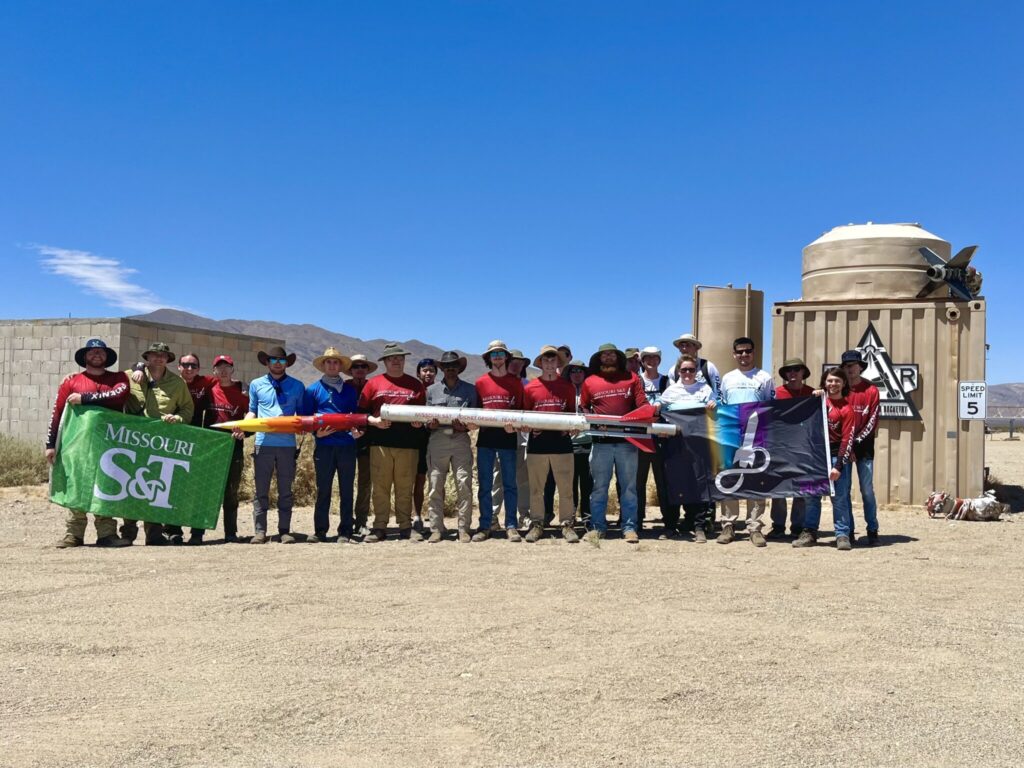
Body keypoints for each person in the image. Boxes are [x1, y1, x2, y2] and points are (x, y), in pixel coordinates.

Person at [47, 339, 131, 548]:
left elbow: (119, 394)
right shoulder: (71, 381)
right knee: (77, 485)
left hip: (109, 444)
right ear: (85, 356)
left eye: (101, 352)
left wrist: (84, 398)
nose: (97, 355)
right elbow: (58, 411)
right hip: (76, 444)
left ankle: (107, 534)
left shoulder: (118, 378)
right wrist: (50, 443)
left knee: (106, 486)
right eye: (92, 352)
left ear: (107, 357)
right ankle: (73, 535)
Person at [120, 342, 194, 546]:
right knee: (132, 484)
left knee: (154, 486)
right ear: (147, 357)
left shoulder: (177, 383)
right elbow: (112, 388)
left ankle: (153, 532)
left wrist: (177, 418)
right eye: (154, 355)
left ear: (168, 359)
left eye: (163, 355)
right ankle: (128, 531)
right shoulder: (129, 376)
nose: (159, 358)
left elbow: (187, 409)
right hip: (133, 440)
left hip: (161, 443)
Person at [358, 343, 426, 542]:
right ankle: (379, 526)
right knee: (380, 487)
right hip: (379, 443)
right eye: (392, 358)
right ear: (385, 362)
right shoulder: (373, 384)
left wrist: (418, 422)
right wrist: (374, 421)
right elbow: (362, 412)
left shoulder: (415, 385)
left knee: (405, 486)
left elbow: (423, 413)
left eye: (400, 358)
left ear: (404, 360)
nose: (396, 361)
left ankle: (406, 526)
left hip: (408, 444)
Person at [580, 343, 647, 544]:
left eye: (611, 354)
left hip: (627, 442)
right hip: (600, 443)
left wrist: (652, 412)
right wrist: (592, 419)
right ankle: (598, 528)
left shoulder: (631, 378)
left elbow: (642, 404)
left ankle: (629, 528)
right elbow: (584, 407)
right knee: (599, 487)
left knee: (629, 488)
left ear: (618, 358)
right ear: (599, 359)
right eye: (604, 355)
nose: (608, 357)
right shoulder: (590, 381)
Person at [717, 337, 775, 547]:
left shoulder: (765, 377)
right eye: (739, 352)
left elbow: (772, 406)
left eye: (747, 351)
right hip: (732, 435)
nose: (744, 355)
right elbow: (722, 404)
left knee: (756, 479)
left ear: (753, 353)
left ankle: (755, 527)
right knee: (730, 478)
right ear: (734, 354)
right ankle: (728, 525)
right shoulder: (727, 378)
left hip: (756, 435)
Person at [303, 347, 363, 543]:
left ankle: (345, 530)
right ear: (323, 365)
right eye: (328, 362)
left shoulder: (350, 391)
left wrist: (356, 432)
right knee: (323, 489)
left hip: (347, 445)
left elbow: (354, 416)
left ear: (340, 366)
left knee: (347, 488)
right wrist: (315, 432)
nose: (332, 365)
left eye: (335, 362)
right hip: (325, 446)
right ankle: (320, 530)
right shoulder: (312, 390)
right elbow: (306, 418)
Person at [655, 354, 717, 542]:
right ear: (678, 372)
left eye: (691, 369)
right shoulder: (671, 391)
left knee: (698, 482)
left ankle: (698, 526)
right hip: (675, 443)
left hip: (698, 443)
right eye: (684, 370)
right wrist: (657, 406)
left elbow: (716, 410)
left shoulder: (705, 389)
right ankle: (670, 525)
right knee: (672, 482)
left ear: (697, 371)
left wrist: (715, 404)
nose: (688, 373)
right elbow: (659, 409)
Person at [247, 345, 305, 544]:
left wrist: (301, 425)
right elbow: (252, 410)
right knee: (261, 489)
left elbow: (301, 414)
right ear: (267, 362)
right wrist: (242, 425)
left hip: (287, 444)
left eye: (281, 360)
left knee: (285, 489)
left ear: (286, 363)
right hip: (263, 443)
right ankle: (260, 531)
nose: (278, 364)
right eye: (274, 360)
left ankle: (284, 531)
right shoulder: (256, 384)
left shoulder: (298, 386)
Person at [793, 367, 855, 550]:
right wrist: (815, 397)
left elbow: (847, 439)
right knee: (812, 496)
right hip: (815, 456)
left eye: (837, 381)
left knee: (840, 497)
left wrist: (838, 466)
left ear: (843, 384)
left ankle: (842, 535)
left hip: (837, 456)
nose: (833, 384)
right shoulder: (817, 402)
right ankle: (810, 533)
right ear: (824, 383)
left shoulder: (847, 408)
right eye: (829, 381)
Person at [522, 346, 579, 543]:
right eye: (545, 361)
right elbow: (524, 417)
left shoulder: (567, 387)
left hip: (562, 444)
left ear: (558, 364)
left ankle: (567, 524)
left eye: (552, 360)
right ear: (540, 364)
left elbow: (573, 414)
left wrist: (572, 428)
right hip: (537, 445)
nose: (549, 364)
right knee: (536, 488)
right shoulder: (530, 388)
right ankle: (537, 523)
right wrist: (529, 428)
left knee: (565, 488)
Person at [423, 351, 478, 543]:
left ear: (459, 368)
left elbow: (475, 419)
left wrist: (464, 426)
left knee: (464, 484)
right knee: (435, 484)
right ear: (442, 369)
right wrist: (431, 424)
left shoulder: (470, 390)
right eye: (446, 367)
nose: (450, 369)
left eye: (454, 366)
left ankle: (464, 528)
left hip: (461, 440)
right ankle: (436, 528)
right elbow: (425, 419)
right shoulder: (431, 391)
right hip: (438, 439)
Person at [472, 340, 524, 541]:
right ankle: (485, 525)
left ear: (506, 357)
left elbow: (521, 411)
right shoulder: (481, 382)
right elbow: (475, 412)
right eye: (494, 354)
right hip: (485, 439)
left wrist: (517, 426)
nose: (498, 357)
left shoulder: (515, 383)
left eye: (501, 353)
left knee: (510, 484)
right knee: (485, 485)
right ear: (488, 358)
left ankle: (511, 525)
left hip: (508, 440)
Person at [163, 352, 217, 545]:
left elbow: (227, 381)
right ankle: (172, 530)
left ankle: (197, 531)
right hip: (172, 438)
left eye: (193, 366)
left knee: (197, 486)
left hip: (198, 439)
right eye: (185, 365)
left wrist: (242, 387)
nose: (189, 369)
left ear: (199, 369)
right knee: (172, 484)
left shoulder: (205, 382)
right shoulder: (169, 382)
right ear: (178, 367)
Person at [204, 355, 250, 542]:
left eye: (227, 367)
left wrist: (245, 433)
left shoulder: (243, 392)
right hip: (211, 446)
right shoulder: (207, 389)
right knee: (208, 490)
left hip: (233, 445)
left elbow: (252, 417)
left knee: (231, 491)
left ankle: (230, 533)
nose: (223, 370)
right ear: (214, 370)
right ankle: (198, 533)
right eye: (219, 367)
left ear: (233, 370)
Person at [768, 358, 814, 539]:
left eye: (796, 369)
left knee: (801, 487)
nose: (792, 373)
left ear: (803, 372)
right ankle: (778, 525)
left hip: (804, 446)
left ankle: (797, 526)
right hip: (780, 446)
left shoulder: (813, 393)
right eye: (789, 371)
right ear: (785, 375)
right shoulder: (776, 394)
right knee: (778, 486)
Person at [843, 350, 881, 545]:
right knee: (845, 489)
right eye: (846, 366)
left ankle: (872, 528)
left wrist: (855, 441)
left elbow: (873, 419)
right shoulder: (840, 389)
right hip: (843, 448)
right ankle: (848, 530)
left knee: (866, 489)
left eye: (853, 365)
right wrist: (846, 445)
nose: (850, 369)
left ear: (860, 367)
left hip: (864, 448)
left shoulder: (871, 390)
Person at [492, 349, 532, 531]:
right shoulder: (499, 383)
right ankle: (493, 517)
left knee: (523, 480)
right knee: (498, 478)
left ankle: (524, 515)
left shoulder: (528, 385)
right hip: (499, 439)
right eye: (513, 361)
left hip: (523, 439)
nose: (516, 364)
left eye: (520, 361)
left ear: (524, 365)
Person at [636, 346, 670, 533]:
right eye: (647, 358)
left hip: (661, 438)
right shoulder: (637, 382)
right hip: (640, 437)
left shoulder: (667, 381)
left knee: (663, 482)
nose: (651, 360)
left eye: (655, 357)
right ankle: (638, 520)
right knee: (638, 482)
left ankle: (669, 522)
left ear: (659, 360)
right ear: (642, 360)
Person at [347, 354, 376, 535]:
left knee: (365, 482)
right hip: (346, 439)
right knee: (346, 481)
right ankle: (346, 519)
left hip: (368, 439)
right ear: (350, 370)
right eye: (356, 366)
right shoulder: (344, 387)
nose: (359, 369)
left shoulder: (372, 387)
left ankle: (361, 520)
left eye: (363, 366)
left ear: (367, 369)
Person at [564, 360, 592, 527]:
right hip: (569, 444)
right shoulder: (565, 392)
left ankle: (587, 517)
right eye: (573, 371)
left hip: (588, 443)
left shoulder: (590, 392)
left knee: (587, 484)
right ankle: (571, 515)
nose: (577, 374)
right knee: (570, 485)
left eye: (580, 371)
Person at [412, 359, 438, 532]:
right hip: (416, 439)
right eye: (424, 370)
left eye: (431, 370)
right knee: (418, 479)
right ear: (418, 373)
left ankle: (436, 515)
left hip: (437, 439)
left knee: (437, 479)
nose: (428, 373)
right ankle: (417, 516)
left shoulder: (440, 392)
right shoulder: (413, 391)